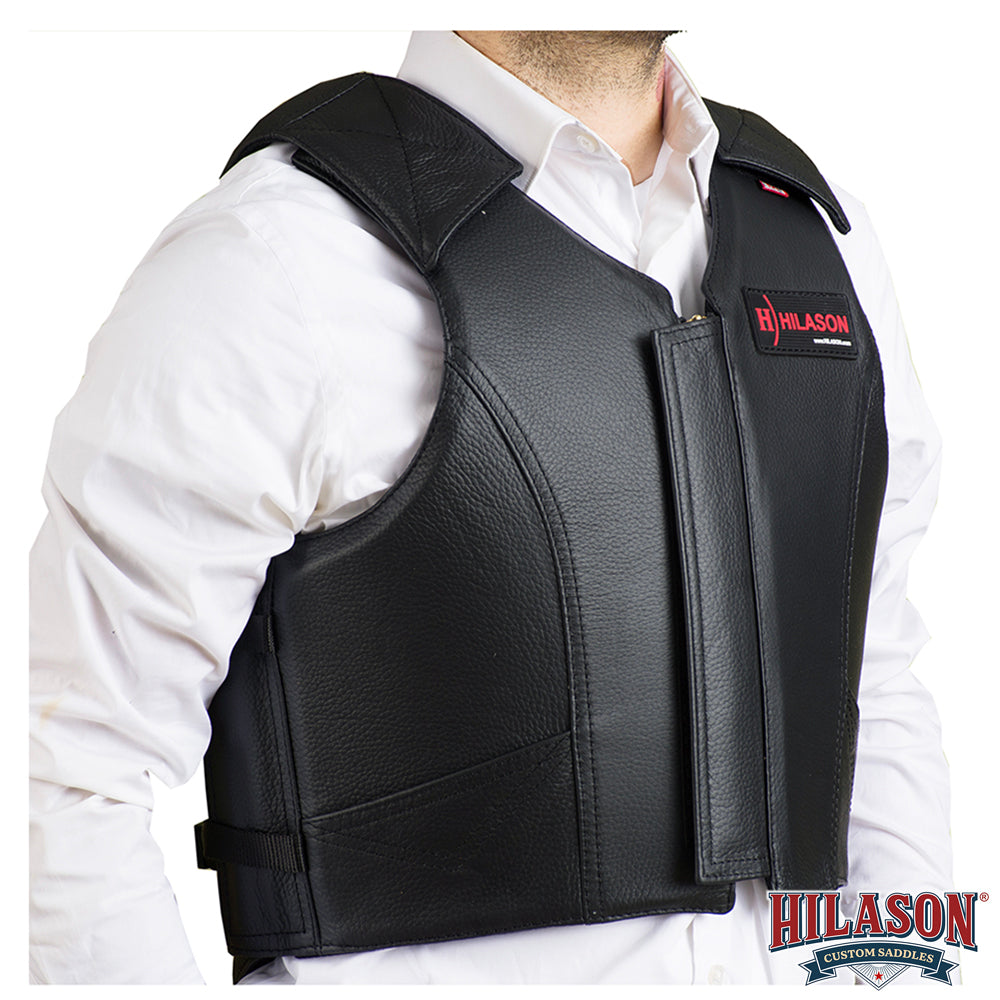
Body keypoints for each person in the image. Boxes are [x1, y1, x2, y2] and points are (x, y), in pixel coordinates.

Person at [29, 30, 952, 985]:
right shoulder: (275, 259)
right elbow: (62, 770)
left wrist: (910, 978)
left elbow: (873, 683)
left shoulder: (820, 237)